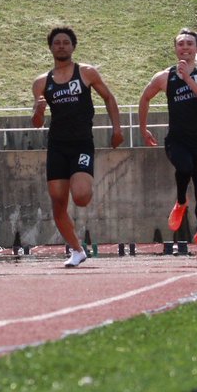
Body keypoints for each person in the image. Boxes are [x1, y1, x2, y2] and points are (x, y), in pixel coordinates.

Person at [30, 26, 122, 268]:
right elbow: (37, 123)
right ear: (50, 47)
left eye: (66, 42)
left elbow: (109, 98)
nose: (61, 46)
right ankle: (77, 250)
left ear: (73, 46)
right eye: (57, 42)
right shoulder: (41, 82)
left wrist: (117, 129)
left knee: (80, 196)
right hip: (57, 146)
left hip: (81, 143)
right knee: (58, 202)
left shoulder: (86, 73)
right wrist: (39, 111)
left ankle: (82, 180)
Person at [138, 27, 197, 266]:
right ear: (175, 48)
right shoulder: (164, 76)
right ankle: (181, 201)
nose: (184, 47)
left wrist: (188, 79)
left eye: (189, 44)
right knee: (184, 167)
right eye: (180, 44)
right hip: (176, 140)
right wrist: (143, 128)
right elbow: (144, 98)